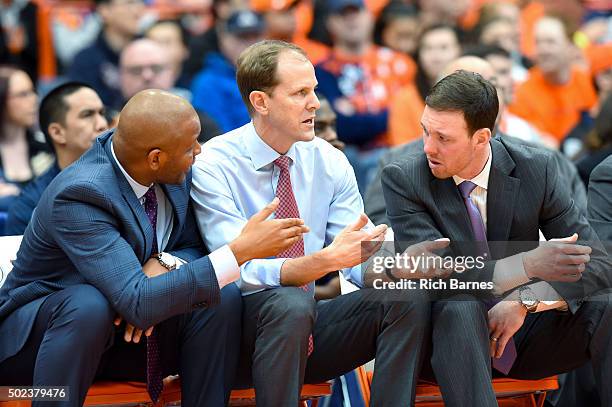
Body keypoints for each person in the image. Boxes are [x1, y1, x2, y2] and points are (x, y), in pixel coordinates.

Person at [0, 89, 309, 406]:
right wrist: (239, 251)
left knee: (220, 295)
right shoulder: (80, 194)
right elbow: (137, 300)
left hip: (125, 335)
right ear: (155, 157)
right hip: (42, 342)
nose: (199, 152)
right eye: (190, 147)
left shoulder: (170, 168)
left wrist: (164, 262)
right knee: (87, 303)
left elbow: (191, 246)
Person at [191, 40, 434, 407]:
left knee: (405, 297)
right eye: (300, 93)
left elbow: (357, 254)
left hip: (308, 324)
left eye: (314, 89)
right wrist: (320, 263)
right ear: (260, 102)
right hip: (237, 331)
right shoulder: (214, 163)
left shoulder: (329, 160)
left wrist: (395, 266)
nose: (315, 103)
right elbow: (230, 271)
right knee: (288, 302)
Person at [381, 70, 612, 407]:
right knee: (459, 306)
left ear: (482, 137)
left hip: (519, 332)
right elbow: (441, 276)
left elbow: (598, 265)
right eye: (425, 132)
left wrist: (525, 299)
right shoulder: (405, 178)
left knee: (606, 305)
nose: (428, 147)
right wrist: (526, 264)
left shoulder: (536, 168)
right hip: (445, 341)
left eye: (443, 138)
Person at [5, 82, 109, 235]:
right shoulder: (29, 207)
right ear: (57, 133)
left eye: (102, 113)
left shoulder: (129, 180)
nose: (102, 124)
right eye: (87, 115)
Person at [190, 9, 266, 133]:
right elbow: (214, 135)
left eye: (255, 36)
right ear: (224, 40)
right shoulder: (208, 82)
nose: (250, 44)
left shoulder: (276, 75)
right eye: (242, 37)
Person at [68, 0, 145, 109]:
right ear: (104, 11)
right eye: (130, 3)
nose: (139, 9)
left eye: (140, 2)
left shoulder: (152, 52)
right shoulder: (85, 61)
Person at [0, 66, 52, 212]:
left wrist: (13, 196)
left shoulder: (46, 146)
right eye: (23, 94)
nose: (35, 100)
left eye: (33, 91)